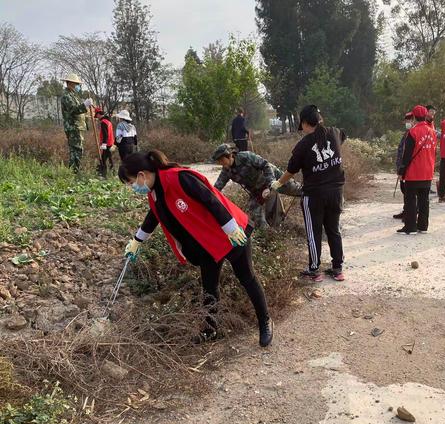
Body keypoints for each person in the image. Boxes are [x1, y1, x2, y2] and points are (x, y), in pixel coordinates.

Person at [120, 150, 273, 348]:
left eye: (131, 182)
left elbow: (211, 199)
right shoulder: (155, 191)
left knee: (246, 278)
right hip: (206, 243)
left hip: (230, 234)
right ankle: (211, 330)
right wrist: (137, 240)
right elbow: (154, 215)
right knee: (209, 287)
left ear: (142, 175)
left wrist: (231, 228)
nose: (133, 187)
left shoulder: (179, 178)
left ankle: (265, 322)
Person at [270, 105, 346, 282]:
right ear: (320, 118)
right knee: (334, 229)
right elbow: (342, 138)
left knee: (314, 232)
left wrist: (278, 183)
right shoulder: (335, 132)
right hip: (336, 192)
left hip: (314, 196)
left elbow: (291, 171)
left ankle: (314, 270)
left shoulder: (303, 145)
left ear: (304, 123)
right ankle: (337, 268)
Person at [211, 144, 302, 228]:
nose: (221, 163)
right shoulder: (226, 171)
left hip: (274, 179)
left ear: (230, 155)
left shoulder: (246, 157)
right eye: (219, 161)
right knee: (254, 212)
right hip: (257, 190)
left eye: (222, 160)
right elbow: (217, 187)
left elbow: (265, 165)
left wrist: (272, 184)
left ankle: (314, 196)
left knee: (298, 190)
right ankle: (268, 232)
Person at [397, 105, 437, 235]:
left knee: (410, 200)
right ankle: (423, 226)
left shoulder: (412, 132)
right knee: (424, 200)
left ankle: (410, 227)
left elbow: (407, 154)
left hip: (414, 172)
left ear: (414, 117)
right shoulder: (432, 131)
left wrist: (401, 171)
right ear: (425, 116)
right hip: (428, 171)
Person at [60, 73, 94, 172]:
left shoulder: (73, 95)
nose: (78, 86)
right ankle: (74, 171)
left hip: (77, 126)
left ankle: (74, 171)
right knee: (76, 150)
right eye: (76, 84)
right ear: (70, 83)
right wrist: (85, 105)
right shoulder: (67, 96)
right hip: (73, 127)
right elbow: (73, 110)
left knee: (76, 150)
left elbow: (78, 112)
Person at [393, 112, 415, 221]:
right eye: (406, 121)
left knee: (409, 192)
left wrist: (403, 167)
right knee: (404, 189)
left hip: (409, 167)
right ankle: (406, 210)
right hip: (402, 166)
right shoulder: (407, 132)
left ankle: (411, 213)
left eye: (409, 120)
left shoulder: (414, 133)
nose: (407, 123)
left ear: (414, 121)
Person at [94, 108, 115, 177]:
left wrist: (104, 143)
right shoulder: (108, 121)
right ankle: (113, 173)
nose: (96, 117)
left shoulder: (103, 122)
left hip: (107, 143)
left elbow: (105, 134)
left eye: (96, 115)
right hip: (110, 142)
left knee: (103, 159)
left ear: (99, 114)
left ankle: (103, 175)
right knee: (109, 158)